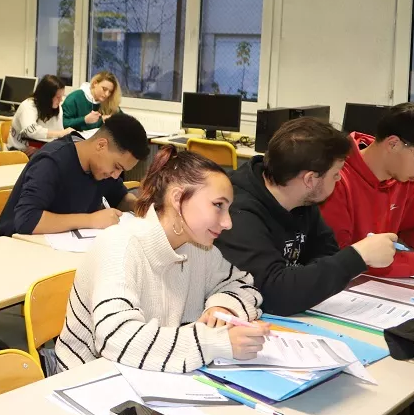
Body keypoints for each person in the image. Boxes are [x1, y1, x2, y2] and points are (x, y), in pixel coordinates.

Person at [55, 145, 267, 373]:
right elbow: (115, 339)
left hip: (150, 377)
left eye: (228, 209)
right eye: (218, 206)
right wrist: (214, 342)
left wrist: (223, 308)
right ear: (178, 198)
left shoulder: (198, 248)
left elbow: (243, 285)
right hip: (89, 383)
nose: (227, 223)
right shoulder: (120, 245)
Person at [214, 118, 397, 316]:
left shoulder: (302, 200)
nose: (338, 180)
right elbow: (274, 295)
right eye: (336, 174)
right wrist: (359, 256)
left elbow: (327, 252)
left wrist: (299, 282)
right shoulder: (236, 212)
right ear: (310, 179)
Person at [322, 102, 414, 277]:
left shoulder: (403, 176)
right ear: (393, 144)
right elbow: (342, 258)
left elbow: (413, 226)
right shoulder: (336, 177)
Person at [0, 113, 148, 238]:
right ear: (101, 145)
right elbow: (27, 220)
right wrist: (91, 220)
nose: (116, 176)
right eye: (117, 167)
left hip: (56, 247)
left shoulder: (103, 170)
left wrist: (144, 207)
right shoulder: (52, 161)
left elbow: (119, 197)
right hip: (14, 245)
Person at [6, 74, 73, 153]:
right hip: (19, 150)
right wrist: (59, 134)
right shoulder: (28, 106)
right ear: (47, 97)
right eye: (58, 97)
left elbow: (57, 134)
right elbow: (31, 131)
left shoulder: (56, 108)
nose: (61, 100)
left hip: (41, 148)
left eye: (62, 96)